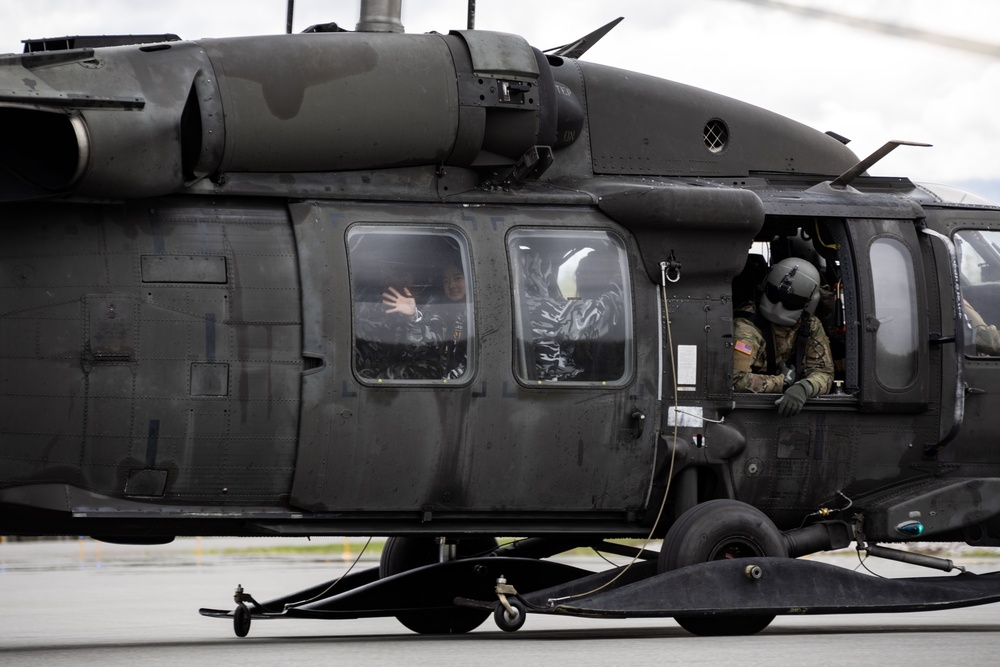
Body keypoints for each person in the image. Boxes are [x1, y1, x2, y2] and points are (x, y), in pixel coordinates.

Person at [732, 257, 834, 416]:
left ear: (808, 303)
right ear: (765, 286)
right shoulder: (747, 326)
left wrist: (804, 388)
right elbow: (735, 381)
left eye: (792, 301)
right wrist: (783, 382)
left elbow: (824, 373)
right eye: (774, 294)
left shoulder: (810, 324)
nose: (779, 306)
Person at [519, 249, 624, 381]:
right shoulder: (537, 307)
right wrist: (622, 273)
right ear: (532, 275)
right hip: (556, 391)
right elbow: (606, 310)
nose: (550, 277)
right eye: (543, 268)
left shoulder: (524, 303)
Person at [380, 262, 470, 379]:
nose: (451, 285)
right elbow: (426, 344)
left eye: (457, 278)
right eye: (446, 281)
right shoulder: (444, 314)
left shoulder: (483, 314)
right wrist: (412, 316)